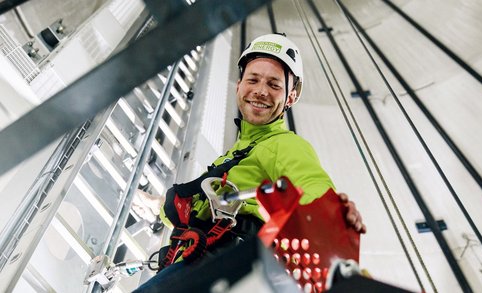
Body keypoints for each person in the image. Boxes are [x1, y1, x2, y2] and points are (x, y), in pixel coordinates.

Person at [133, 33, 365, 291]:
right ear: (239, 85)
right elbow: (200, 214)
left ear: (291, 97)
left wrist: (332, 214)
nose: (261, 91)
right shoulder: (236, 154)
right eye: (253, 80)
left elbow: (314, 189)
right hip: (198, 262)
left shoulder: (284, 144)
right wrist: (159, 207)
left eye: (274, 84)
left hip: (218, 263)